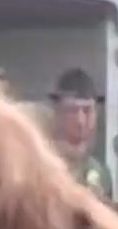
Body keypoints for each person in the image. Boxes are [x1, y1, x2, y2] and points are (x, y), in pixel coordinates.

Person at [47, 67, 112, 200]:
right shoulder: (42, 166)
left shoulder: (100, 172)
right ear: (58, 113)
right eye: (72, 110)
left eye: (87, 110)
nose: (80, 120)